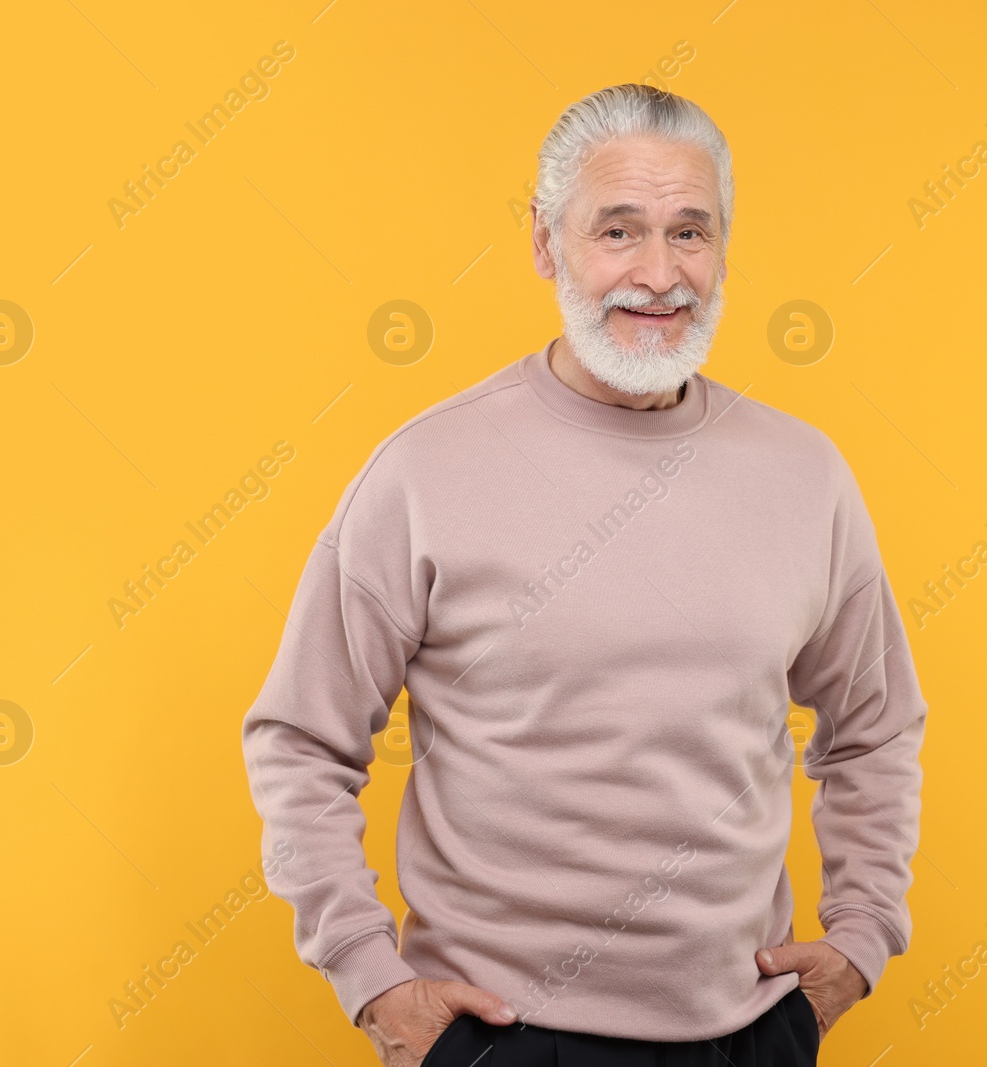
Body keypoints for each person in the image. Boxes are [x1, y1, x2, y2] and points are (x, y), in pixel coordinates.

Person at [241, 83, 928, 1067]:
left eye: (690, 232)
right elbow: (298, 738)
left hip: (749, 1031)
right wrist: (372, 976)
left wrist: (862, 936)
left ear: (724, 246)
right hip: (504, 1038)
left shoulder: (806, 473)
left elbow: (876, 726)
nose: (659, 273)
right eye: (617, 230)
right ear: (542, 243)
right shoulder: (424, 470)